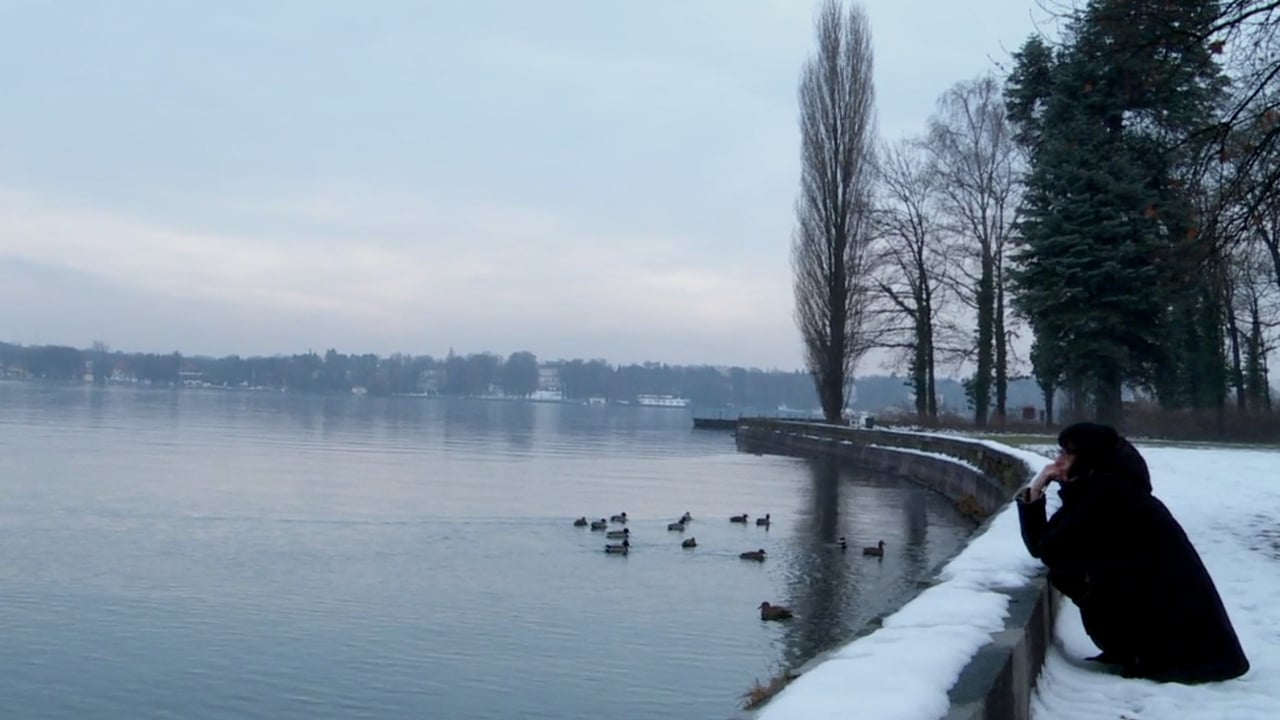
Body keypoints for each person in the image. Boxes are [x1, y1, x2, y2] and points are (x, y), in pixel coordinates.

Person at [1016, 422, 1250, 683]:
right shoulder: (1101, 489)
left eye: (1067, 454)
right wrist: (1035, 492)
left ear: (1089, 458)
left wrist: (1039, 491)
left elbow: (1050, 550)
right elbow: (1045, 546)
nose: (1058, 462)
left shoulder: (1112, 494)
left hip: (1180, 648)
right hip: (1170, 638)